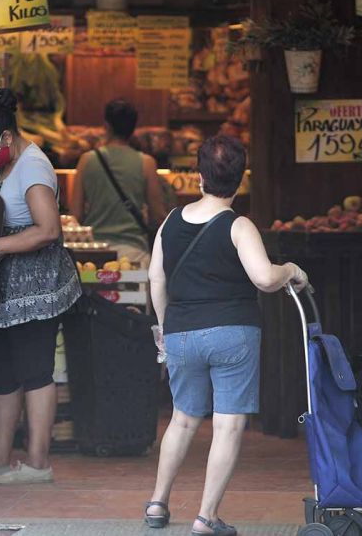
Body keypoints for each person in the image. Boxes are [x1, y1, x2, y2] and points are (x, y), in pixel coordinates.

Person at [144, 136, 309, 536]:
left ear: (198, 177)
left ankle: (156, 503)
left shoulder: (171, 221)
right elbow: (265, 277)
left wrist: (167, 329)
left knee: (182, 421)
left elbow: (155, 277)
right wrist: (290, 269)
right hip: (233, 334)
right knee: (228, 425)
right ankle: (205, 517)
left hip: (181, 332)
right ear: (240, 181)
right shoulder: (239, 225)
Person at [0, 88, 81, 485]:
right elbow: (6, 209)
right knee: (2, 371)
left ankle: (37, 463)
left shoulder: (32, 167)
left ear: (7, 137)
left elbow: (48, 230)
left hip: (36, 287)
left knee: (35, 371)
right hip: (6, 290)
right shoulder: (5, 164)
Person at [71, 99, 167, 267]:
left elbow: (75, 215)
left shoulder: (86, 160)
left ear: (106, 126)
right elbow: (158, 216)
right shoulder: (146, 163)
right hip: (134, 254)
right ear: (133, 129)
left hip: (94, 255)